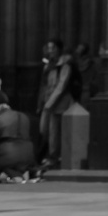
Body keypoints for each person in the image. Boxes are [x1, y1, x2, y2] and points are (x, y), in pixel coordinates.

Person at [0, 91, 39, 183]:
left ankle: (7, 176)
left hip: (7, 156)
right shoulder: (24, 116)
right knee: (16, 162)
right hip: (28, 157)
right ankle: (22, 173)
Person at [37, 38, 76, 170]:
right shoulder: (49, 65)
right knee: (45, 130)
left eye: (52, 48)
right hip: (48, 102)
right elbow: (44, 85)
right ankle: (51, 156)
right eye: (48, 48)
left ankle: (54, 158)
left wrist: (50, 103)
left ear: (59, 49)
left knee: (55, 132)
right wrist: (41, 102)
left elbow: (62, 85)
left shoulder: (65, 64)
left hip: (60, 103)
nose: (50, 51)